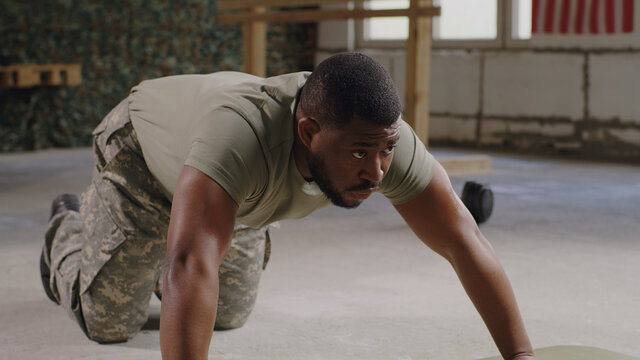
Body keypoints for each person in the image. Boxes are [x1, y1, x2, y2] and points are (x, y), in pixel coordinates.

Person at [40, 52, 535, 359]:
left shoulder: (381, 140)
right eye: (361, 153)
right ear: (308, 133)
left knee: (225, 315)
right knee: (109, 321)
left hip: (233, 193)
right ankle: (70, 223)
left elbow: (462, 238)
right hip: (144, 158)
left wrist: (520, 356)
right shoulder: (240, 136)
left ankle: (178, 235)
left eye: (386, 151)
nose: (377, 172)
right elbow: (190, 264)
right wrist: (177, 261)